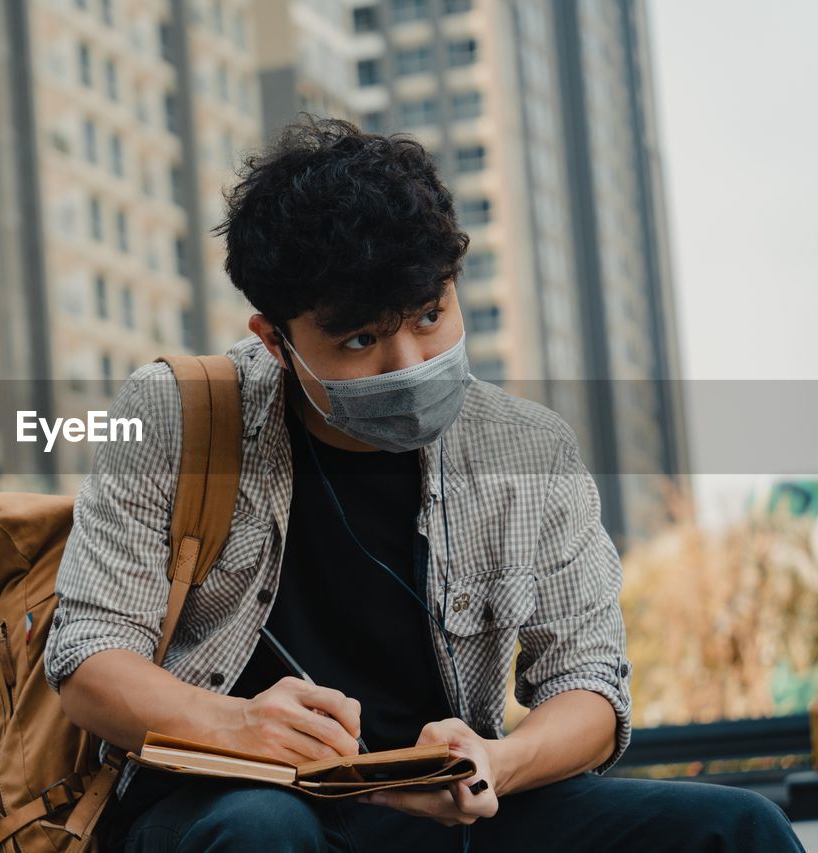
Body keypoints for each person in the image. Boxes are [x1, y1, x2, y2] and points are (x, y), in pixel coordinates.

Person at [43, 116, 803, 851]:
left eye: (430, 315)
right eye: (362, 338)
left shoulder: (529, 448)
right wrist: (235, 724)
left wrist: (494, 762)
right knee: (262, 831)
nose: (408, 364)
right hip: (220, 804)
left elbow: (591, 686)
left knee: (739, 828)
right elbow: (88, 653)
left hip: (442, 812)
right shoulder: (172, 415)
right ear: (274, 339)